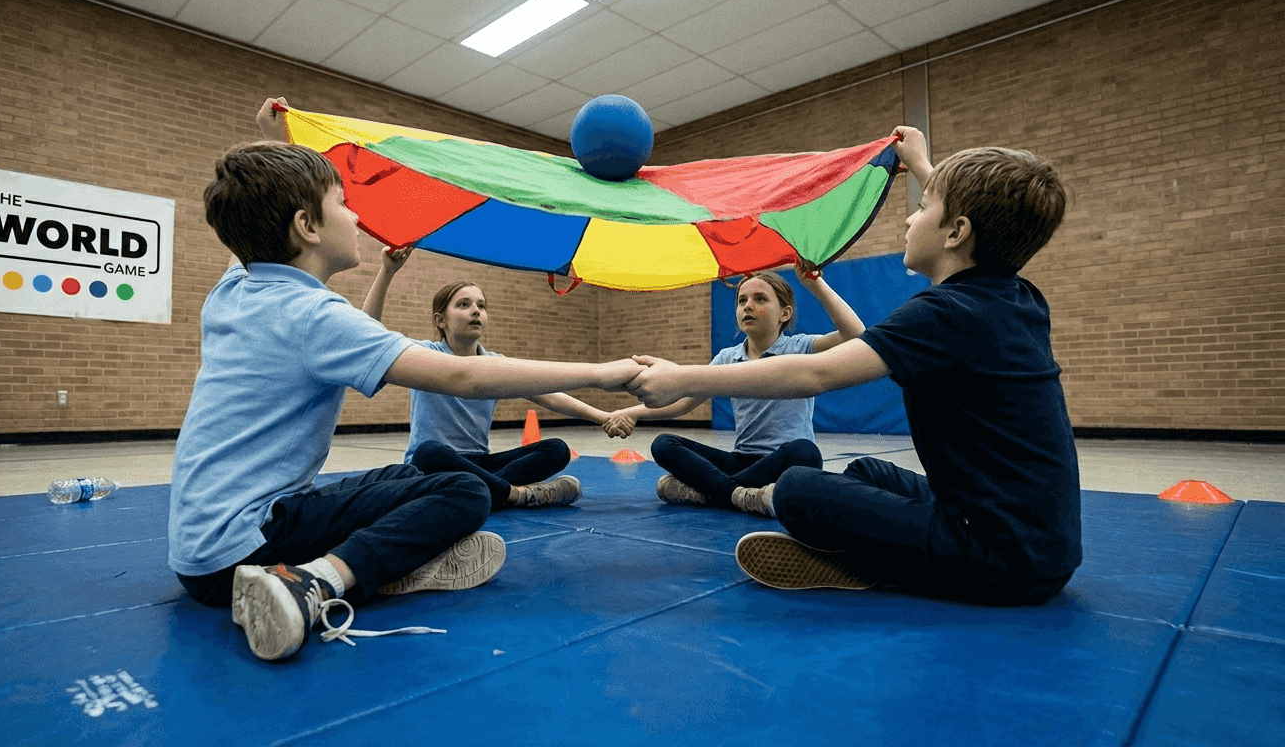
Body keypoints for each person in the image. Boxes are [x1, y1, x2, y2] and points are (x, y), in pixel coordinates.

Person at [169, 99, 642, 663]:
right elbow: (464, 375)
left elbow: (248, 229)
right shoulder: (312, 314)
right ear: (306, 226)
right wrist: (603, 373)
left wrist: (282, 142)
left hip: (197, 552)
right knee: (463, 490)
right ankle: (314, 582)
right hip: (242, 553)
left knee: (402, 475)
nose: (356, 216)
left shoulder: (236, 290)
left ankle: (380, 566)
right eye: (343, 204)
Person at [624, 126, 1079, 607]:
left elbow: (813, 374)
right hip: (1042, 547)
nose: (909, 217)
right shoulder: (1016, 297)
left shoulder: (945, 314)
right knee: (867, 471)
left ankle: (872, 564)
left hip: (1001, 561)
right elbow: (981, 226)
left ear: (957, 232)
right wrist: (924, 166)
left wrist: (680, 375)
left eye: (922, 208)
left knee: (798, 488)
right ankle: (871, 546)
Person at [362, 246, 634, 511]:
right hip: (435, 464)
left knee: (557, 449)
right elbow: (367, 336)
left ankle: (483, 490)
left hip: (480, 463)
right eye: (464, 305)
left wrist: (603, 416)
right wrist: (386, 273)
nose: (476, 311)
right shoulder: (423, 356)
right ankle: (513, 495)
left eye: (481, 305)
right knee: (428, 453)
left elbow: (549, 395)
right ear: (440, 320)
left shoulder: (495, 364)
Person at [606, 266, 865, 517]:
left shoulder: (801, 346)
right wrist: (632, 413)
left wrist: (815, 284)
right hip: (740, 460)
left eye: (760, 299)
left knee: (806, 453)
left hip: (783, 460)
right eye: (742, 301)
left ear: (784, 314)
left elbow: (856, 336)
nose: (748, 306)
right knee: (664, 444)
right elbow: (683, 403)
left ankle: (710, 492)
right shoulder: (727, 358)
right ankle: (739, 494)